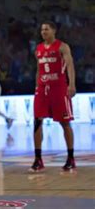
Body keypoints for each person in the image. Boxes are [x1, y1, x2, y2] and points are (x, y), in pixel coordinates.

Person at [30, 21, 76, 173]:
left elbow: (70, 66)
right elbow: (38, 69)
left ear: (54, 31)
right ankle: (38, 159)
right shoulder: (38, 49)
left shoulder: (63, 47)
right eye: (42, 29)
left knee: (65, 122)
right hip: (43, 89)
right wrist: (37, 86)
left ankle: (70, 158)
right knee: (37, 121)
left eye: (46, 29)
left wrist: (71, 84)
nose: (43, 32)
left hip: (59, 88)